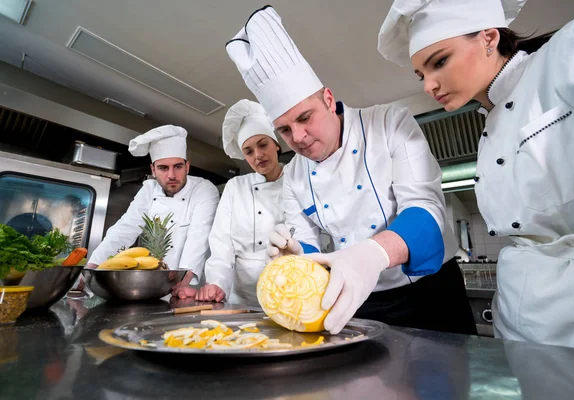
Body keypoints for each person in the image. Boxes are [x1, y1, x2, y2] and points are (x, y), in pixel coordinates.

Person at [226, 5, 476, 335]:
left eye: (304, 118)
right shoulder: (295, 176)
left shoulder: (390, 123)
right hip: (356, 299)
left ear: (328, 100)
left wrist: (372, 254)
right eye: (284, 131)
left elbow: (425, 211)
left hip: (429, 294)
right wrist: (298, 252)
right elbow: (310, 245)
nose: (298, 138)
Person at [377, 0, 574, 350]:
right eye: (421, 75)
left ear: (488, 38)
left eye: (439, 61)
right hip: (521, 334)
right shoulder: (488, 132)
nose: (429, 86)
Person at [86, 125, 219, 293]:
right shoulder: (149, 189)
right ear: (153, 170)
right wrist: (93, 266)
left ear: (187, 167)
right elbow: (125, 228)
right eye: (163, 168)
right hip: (155, 281)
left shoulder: (204, 189)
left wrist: (185, 281)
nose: (171, 175)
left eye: (178, 166)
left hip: (190, 286)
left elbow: (199, 235)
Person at [178, 100, 285, 306]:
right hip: (241, 295)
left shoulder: (296, 179)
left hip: (286, 287)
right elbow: (222, 241)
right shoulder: (236, 186)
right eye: (249, 151)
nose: (258, 155)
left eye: (263, 144)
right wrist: (216, 282)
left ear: (276, 144)